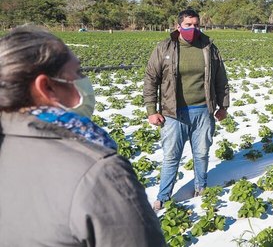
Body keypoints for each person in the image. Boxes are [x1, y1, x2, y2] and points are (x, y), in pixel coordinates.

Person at [0, 26, 166, 246]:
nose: (84, 81)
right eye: (78, 72)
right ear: (46, 87)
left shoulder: (8, 138)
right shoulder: (100, 171)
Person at [144, 9, 230, 211]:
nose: (193, 28)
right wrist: (151, 109)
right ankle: (163, 197)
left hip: (203, 111)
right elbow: (151, 79)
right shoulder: (165, 47)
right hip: (174, 114)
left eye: (196, 25)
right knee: (171, 156)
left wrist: (223, 106)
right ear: (178, 26)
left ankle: (201, 187)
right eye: (188, 25)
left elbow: (221, 78)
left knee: (201, 153)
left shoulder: (208, 47)